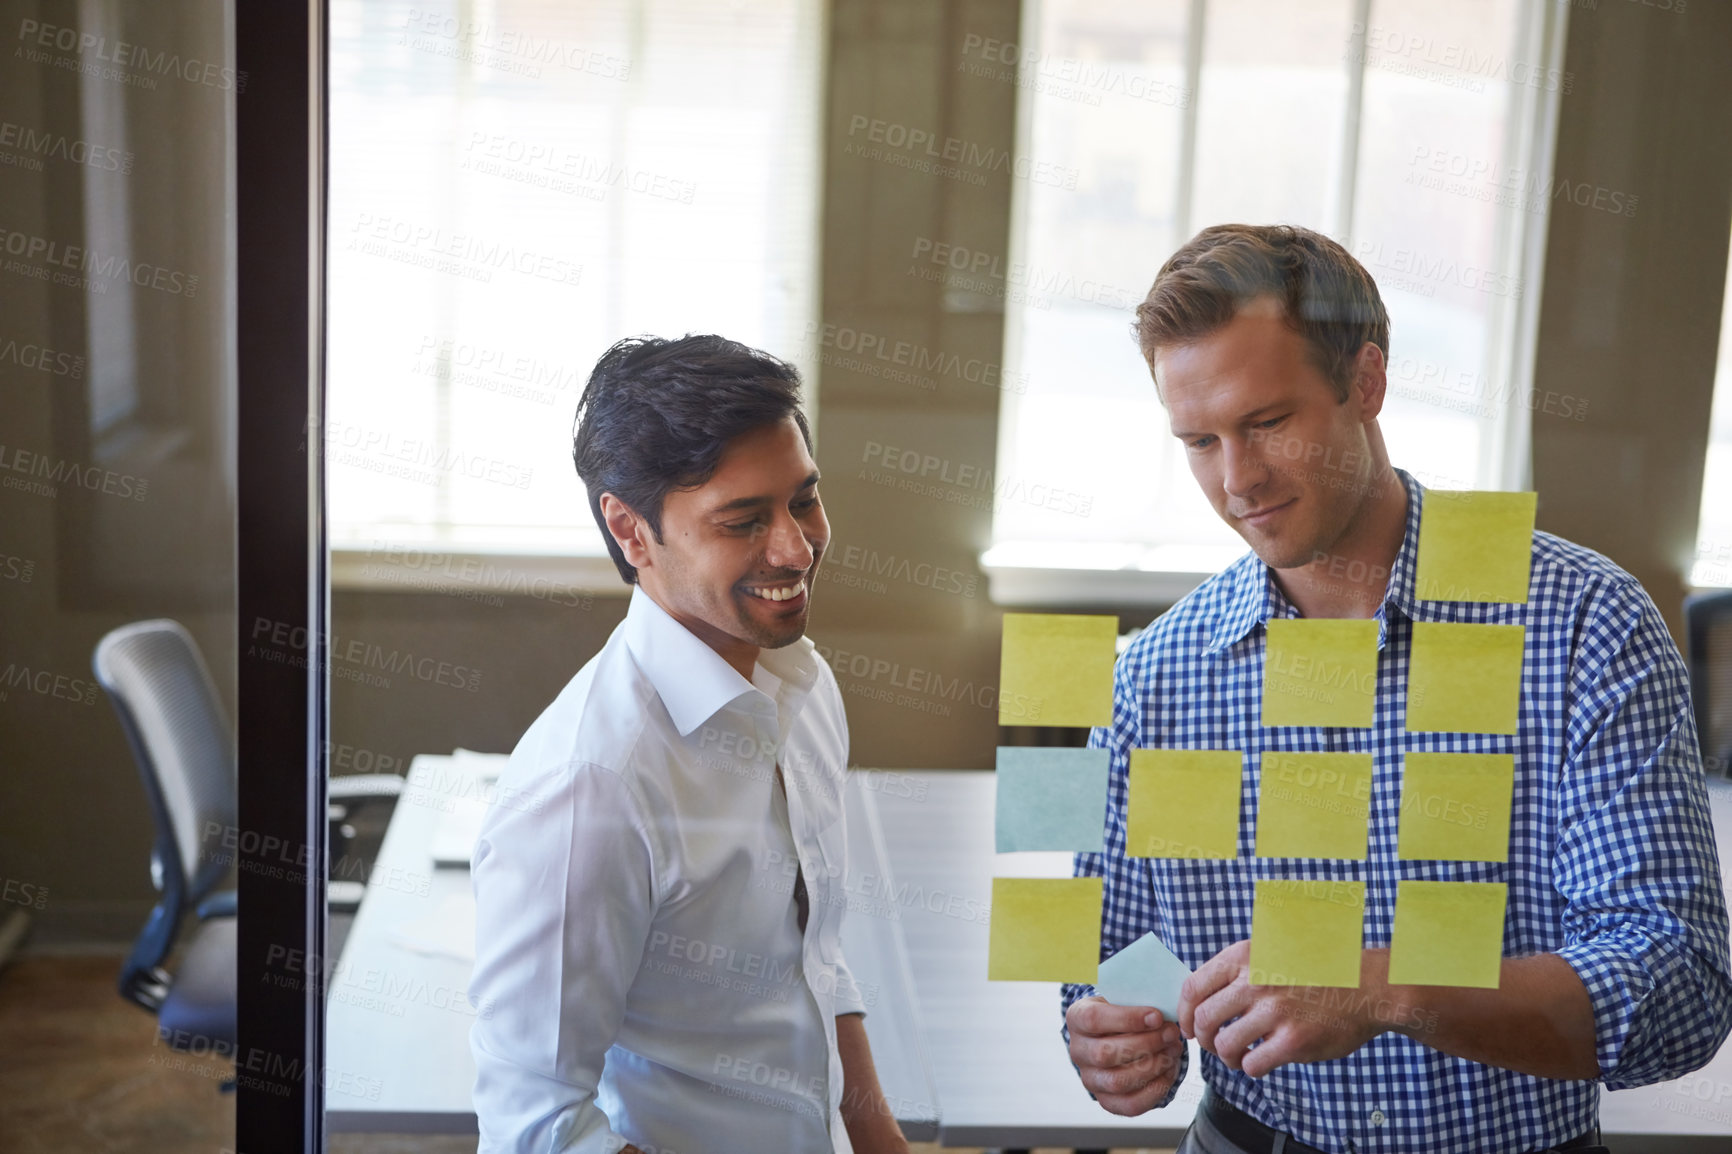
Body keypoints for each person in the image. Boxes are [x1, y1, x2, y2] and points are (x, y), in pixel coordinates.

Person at [1060, 224, 1732, 1154]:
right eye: (1199, 441)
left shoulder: (1588, 623)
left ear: (1366, 383)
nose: (1237, 479)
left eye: (1266, 424)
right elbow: (1103, 956)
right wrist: (1104, 1031)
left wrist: (1384, 988)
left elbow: (1682, 988)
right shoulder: (1149, 672)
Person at [468, 334, 910, 1154]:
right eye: (743, 521)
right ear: (631, 532)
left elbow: (819, 963)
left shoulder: (802, 687)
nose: (796, 548)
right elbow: (538, 1126)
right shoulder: (588, 787)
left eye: (803, 500)